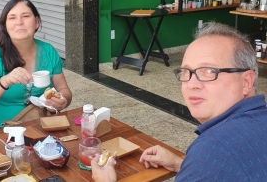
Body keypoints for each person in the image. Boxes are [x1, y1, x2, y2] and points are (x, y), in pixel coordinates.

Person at [91, 21, 267, 181]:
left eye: (208, 71)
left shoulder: (214, 148)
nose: (191, 84)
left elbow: (221, 160)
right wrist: (182, 164)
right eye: (186, 72)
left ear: (246, 82)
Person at [0, 0, 72, 132]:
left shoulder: (48, 51)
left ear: (36, 22)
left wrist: (63, 100)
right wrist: (4, 81)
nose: (19, 22)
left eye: (25, 16)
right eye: (12, 18)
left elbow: (64, 90)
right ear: (5, 25)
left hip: (41, 125)